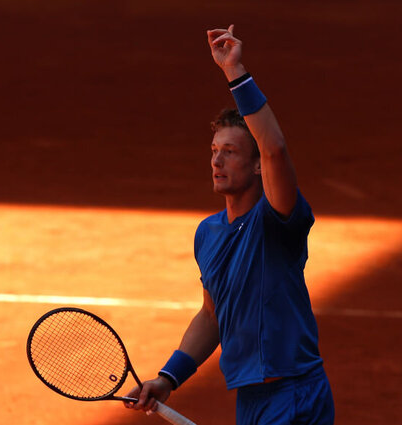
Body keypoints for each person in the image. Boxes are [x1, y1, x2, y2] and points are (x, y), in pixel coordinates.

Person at [124, 24, 335, 425]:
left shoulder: (277, 220)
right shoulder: (208, 233)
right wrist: (169, 377)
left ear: (257, 165)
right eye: (214, 151)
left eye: (230, 152)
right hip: (250, 398)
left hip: (295, 392)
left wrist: (234, 73)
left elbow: (274, 147)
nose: (216, 161)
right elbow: (211, 315)